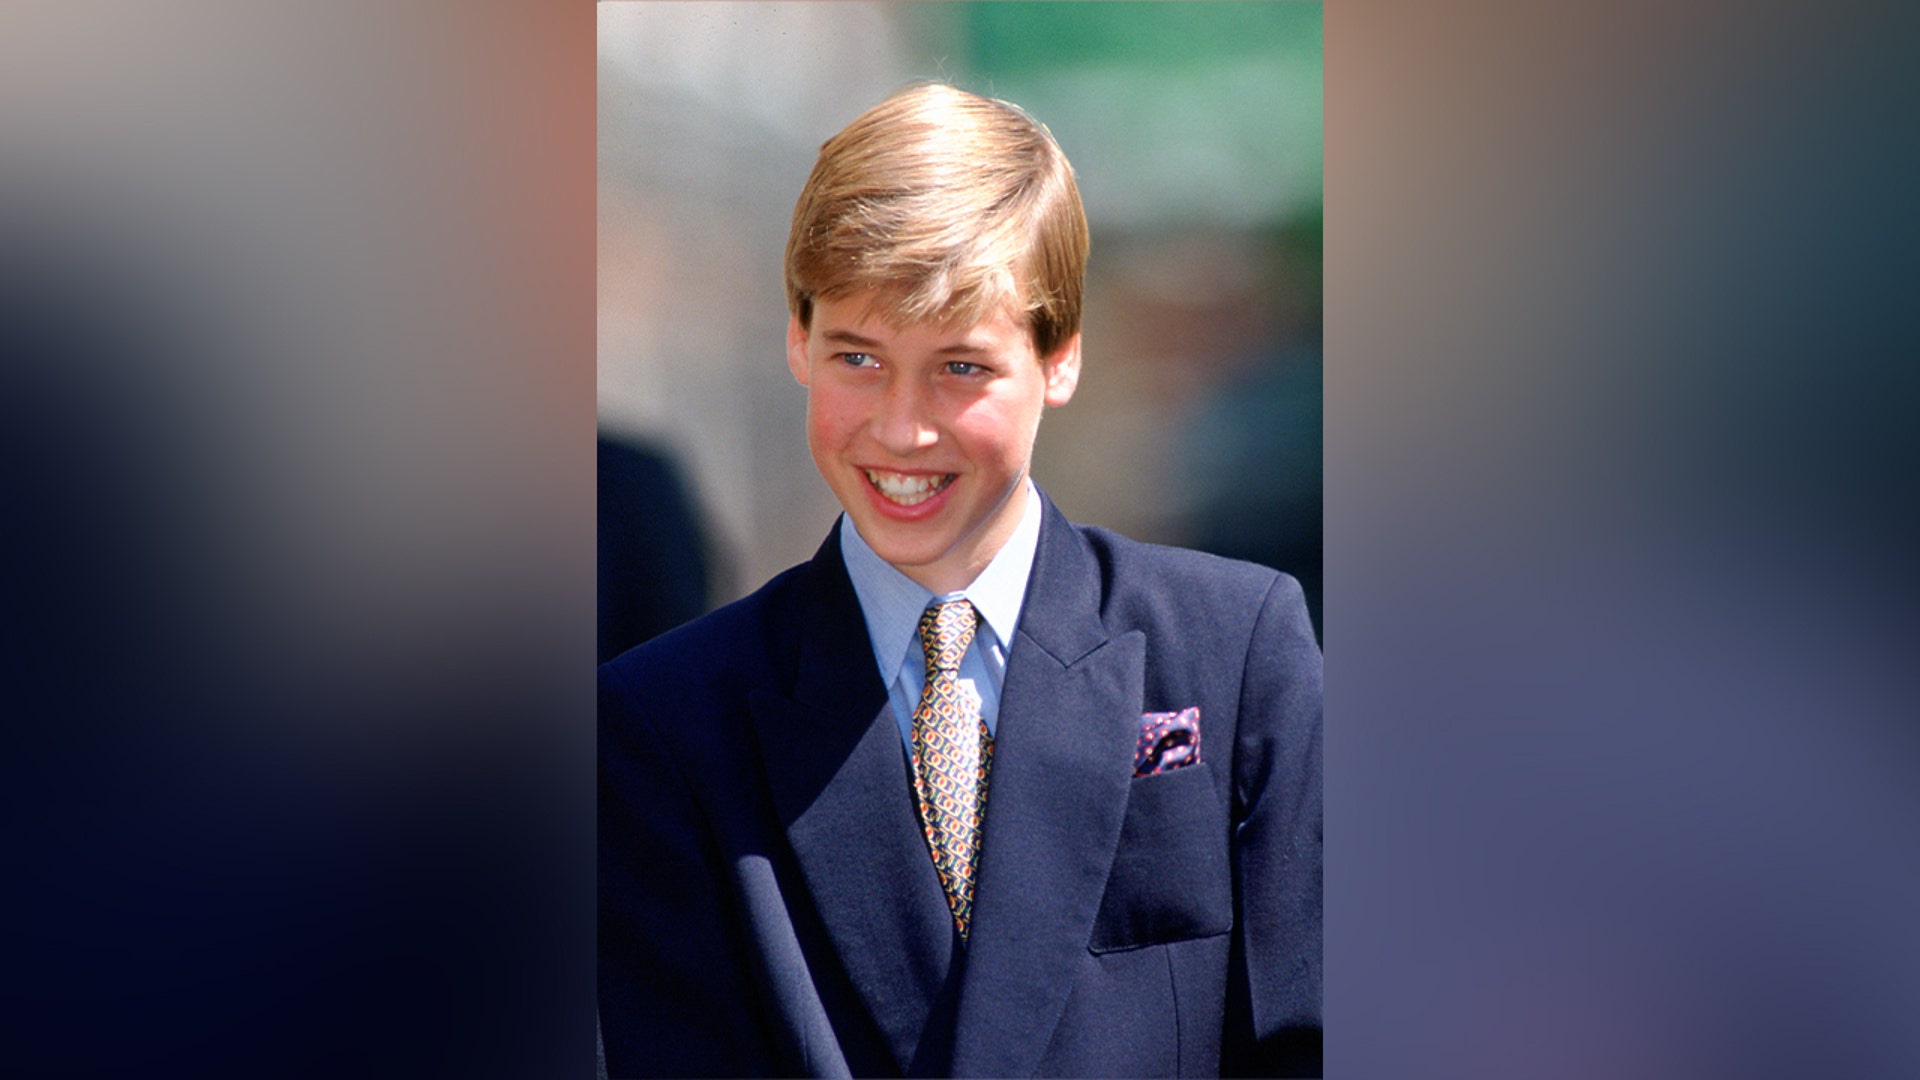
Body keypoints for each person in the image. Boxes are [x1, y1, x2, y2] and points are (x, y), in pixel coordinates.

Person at [599, 82, 1322, 1077]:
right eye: (859, 356)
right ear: (797, 341)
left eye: (961, 367)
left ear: (1059, 358)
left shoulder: (1235, 649)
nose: (902, 428)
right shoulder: (666, 725)